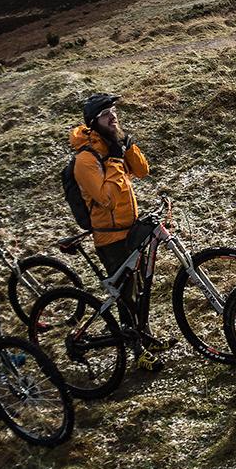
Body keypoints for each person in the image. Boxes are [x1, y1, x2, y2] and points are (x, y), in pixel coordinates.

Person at [68, 92, 164, 356]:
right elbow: (106, 199)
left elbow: (143, 171)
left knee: (140, 291)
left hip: (131, 230)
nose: (113, 117)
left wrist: (126, 146)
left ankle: (145, 337)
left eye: (113, 111)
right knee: (126, 297)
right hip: (110, 239)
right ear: (92, 123)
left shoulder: (114, 146)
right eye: (105, 114)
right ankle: (137, 352)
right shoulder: (85, 160)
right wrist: (113, 160)